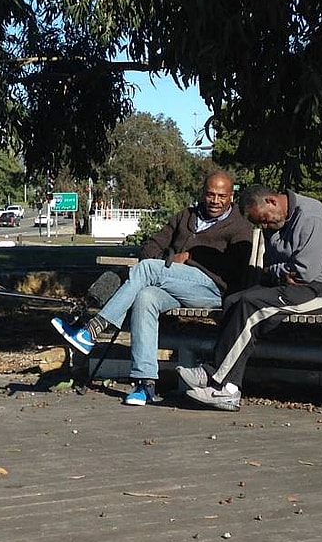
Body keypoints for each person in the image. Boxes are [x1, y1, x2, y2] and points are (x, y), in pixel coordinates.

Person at [51, 171, 253, 405]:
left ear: (231, 197)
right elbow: (149, 248)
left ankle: (92, 330)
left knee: (147, 270)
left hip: (211, 289)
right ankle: (144, 384)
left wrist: (189, 260)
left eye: (221, 196)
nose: (215, 201)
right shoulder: (185, 217)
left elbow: (234, 269)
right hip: (174, 283)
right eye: (210, 194)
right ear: (202, 193)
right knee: (145, 297)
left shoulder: (239, 227)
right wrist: (171, 258)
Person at [178, 185, 322, 411]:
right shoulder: (276, 220)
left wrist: (284, 271)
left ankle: (215, 376)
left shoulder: (311, 217)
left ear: (272, 201)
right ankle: (229, 389)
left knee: (252, 306)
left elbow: (305, 272)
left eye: (265, 220)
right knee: (235, 301)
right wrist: (283, 271)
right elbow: (272, 266)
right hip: (298, 287)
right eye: (260, 224)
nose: (265, 226)